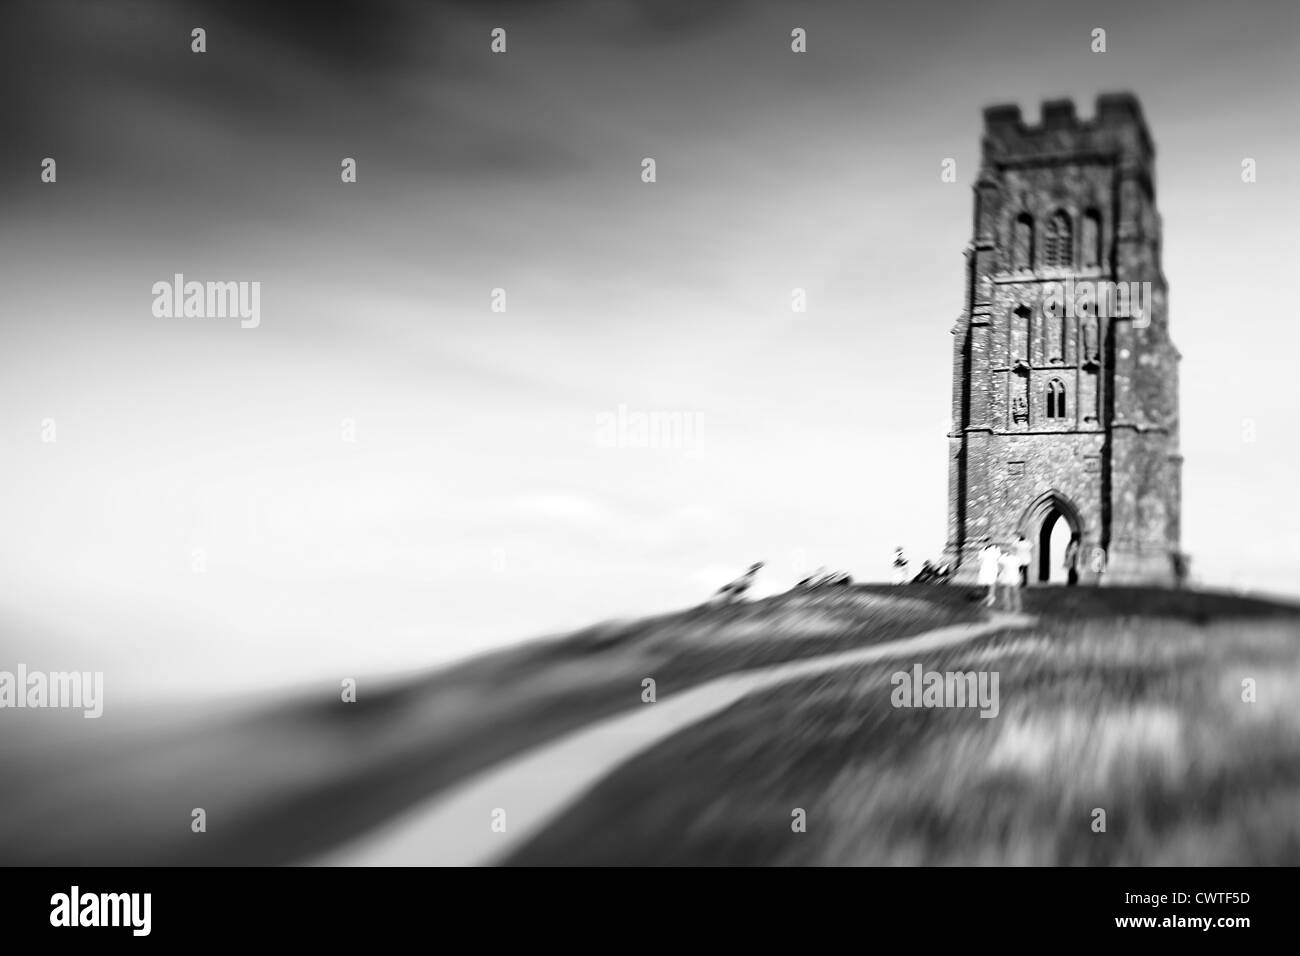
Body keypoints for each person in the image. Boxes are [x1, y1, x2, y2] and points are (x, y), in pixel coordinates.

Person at [997, 547, 1022, 612]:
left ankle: (1007, 607)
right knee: (1015, 593)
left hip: (1007, 577)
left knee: (1006, 592)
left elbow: (999, 561)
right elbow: (1020, 566)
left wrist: (1005, 554)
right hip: (1014, 577)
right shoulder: (1017, 558)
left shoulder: (1005, 558)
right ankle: (1016, 608)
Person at [977, 542, 1001, 607]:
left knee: (991, 582)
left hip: (992, 567)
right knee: (986, 582)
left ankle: (991, 596)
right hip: (985, 568)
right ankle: (988, 596)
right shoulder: (982, 550)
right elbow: (980, 560)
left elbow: (997, 558)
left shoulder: (995, 549)